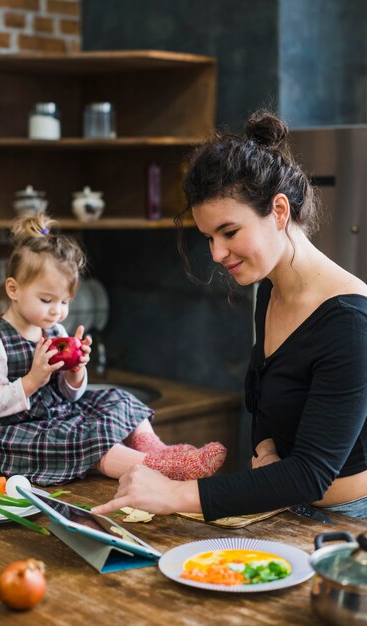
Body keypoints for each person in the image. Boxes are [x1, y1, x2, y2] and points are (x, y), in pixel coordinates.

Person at [92, 110, 367, 521]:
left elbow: (311, 473)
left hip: (349, 521)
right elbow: (266, 402)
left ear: (278, 211)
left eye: (229, 232)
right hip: (285, 508)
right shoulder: (271, 290)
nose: (217, 254)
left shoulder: (350, 322)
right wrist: (268, 449)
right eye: (209, 238)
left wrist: (176, 494)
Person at [0, 214, 226, 485]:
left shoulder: (54, 331)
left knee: (119, 398)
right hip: (12, 431)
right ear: (13, 289)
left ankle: (154, 448)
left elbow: (69, 395)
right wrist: (32, 380)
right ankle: (157, 466)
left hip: (55, 414)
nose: (57, 310)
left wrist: (75, 373)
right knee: (78, 440)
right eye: (46, 299)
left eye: (65, 301)